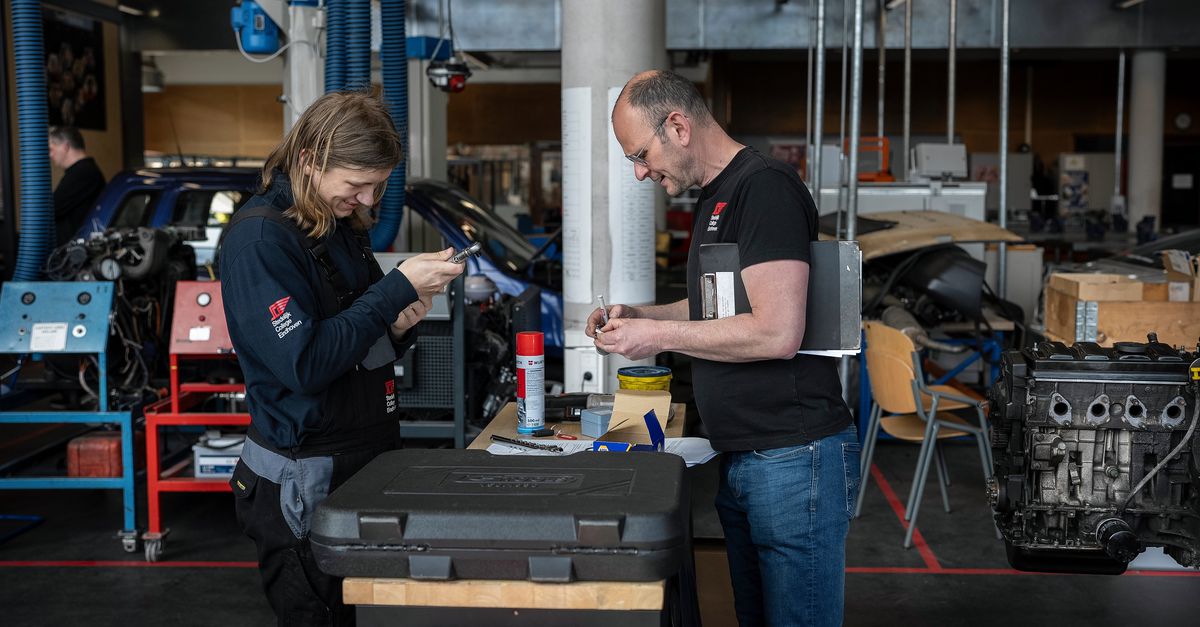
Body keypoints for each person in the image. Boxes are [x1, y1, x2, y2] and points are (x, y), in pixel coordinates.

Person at [591, 70, 859, 626]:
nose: (641, 172)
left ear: (679, 126)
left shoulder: (764, 189)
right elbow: (719, 312)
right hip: (745, 457)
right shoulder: (716, 198)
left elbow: (776, 330)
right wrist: (641, 316)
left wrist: (657, 338)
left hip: (791, 457)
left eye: (641, 154)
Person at [219, 91, 463, 626]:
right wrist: (394, 288)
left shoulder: (334, 227)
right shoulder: (260, 240)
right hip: (305, 476)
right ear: (309, 161)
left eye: (377, 187)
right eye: (356, 186)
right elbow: (303, 364)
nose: (368, 201)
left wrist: (398, 323)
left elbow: (356, 338)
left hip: (365, 459)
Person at [48, 126, 105, 245]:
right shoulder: (81, 171)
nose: (50, 155)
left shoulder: (83, 172)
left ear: (65, 146)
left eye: (51, 149)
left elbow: (51, 208)